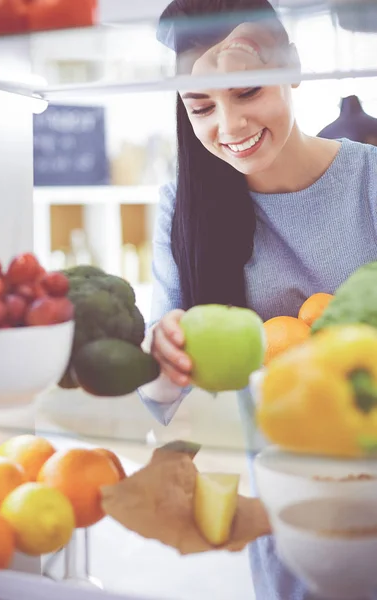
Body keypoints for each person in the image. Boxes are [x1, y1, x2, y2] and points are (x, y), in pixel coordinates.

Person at [137, 0, 377, 598]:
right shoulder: (186, 208)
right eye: (202, 106)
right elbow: (158, 398)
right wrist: (163, 361)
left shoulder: (370, 182)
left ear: (292, 67)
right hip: (288, 520)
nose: (230, 125)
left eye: (247, 91)